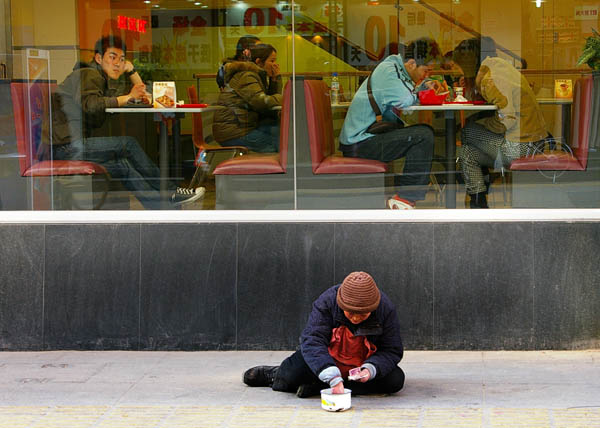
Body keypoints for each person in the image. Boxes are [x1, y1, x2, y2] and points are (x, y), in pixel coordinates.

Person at [46, 35, 204, 208]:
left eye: (121, 59)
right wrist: (127, 97)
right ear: (98, 58)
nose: (117, 63)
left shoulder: (97, 76)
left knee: (123, 165)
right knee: (128, 144)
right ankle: (171, 191)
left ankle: (163, 209)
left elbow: (122, 99)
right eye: (112, 57)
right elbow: (91, 105)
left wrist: (130, 73)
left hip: (64, 146)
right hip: (66, 146)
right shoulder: (88, 74)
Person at [243, 271, 405, 398]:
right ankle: (276, 374)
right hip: (327, 360)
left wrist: (370, 370)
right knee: (292, 375)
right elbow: (312, 341)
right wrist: (331, 374)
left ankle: (320, 387)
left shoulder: (385, 309)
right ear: (341, 304)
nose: (355, 318)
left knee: (395, 381)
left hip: (361, 363)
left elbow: (392, 350)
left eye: (362, 314)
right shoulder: (327, 301)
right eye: (350, 313)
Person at [339, 38, 437, 210]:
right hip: (359, 143)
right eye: (426, 71)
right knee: (423, 135)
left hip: (369, 137)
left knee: (424, 132)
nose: (427, 75)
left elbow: (406, 95)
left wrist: (420, 89)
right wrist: (419, 91)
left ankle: (407, 196)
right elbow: (404, 99)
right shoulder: (389, 69)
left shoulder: (399, 70)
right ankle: (405, 199)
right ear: (412, 63)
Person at [455, 38, 548, 208]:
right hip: (533, 140)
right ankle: (478, 205)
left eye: (462, 67)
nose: (462, 72)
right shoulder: (498, 67)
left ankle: (480, 193)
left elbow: (507, 120)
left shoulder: (490, 79)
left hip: (523, 146)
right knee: (468, 153)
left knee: (467, 131)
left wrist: (484, 124)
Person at [212, 43, 282, 153]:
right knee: (280, 145)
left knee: (280, 133)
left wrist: (275, 79)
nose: (275, 65)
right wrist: (283, 98)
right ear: (259, 62)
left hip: (243, 127)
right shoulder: (247, 76)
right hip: (234, 133)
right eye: (272, 61)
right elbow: (261, 102)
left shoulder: (256, 75)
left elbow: (267, 103)